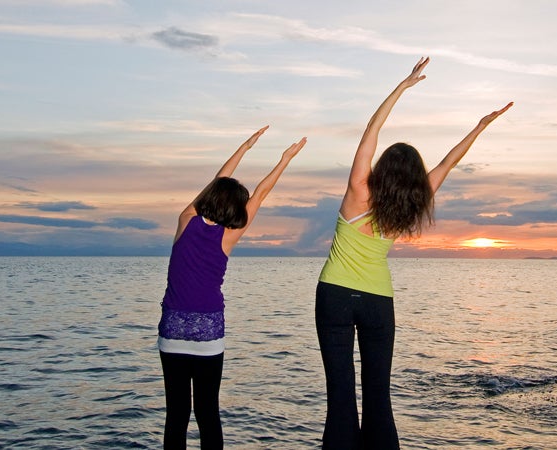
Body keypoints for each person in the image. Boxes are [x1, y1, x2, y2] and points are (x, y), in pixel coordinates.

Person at [315, 57, 512, 449]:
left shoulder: (358, 190)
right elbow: (448, 163)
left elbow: (371, 130)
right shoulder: (409, 205)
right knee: (379, 400)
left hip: (334, 295)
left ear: (383, 168)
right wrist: (480, 127)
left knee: (340, 401)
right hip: (377, 302)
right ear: (412, 180)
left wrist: (402, 87)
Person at [157, 126, 307, 450]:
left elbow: (216, 181)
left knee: (177, 415)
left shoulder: (186, 220)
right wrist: (285, 160)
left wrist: (245, 147)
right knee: (208, 413)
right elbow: (261, 193)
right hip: (208, 330)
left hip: (173, 328)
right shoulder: (228, 236)